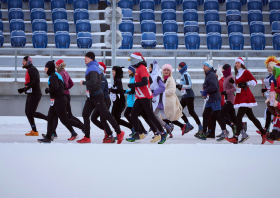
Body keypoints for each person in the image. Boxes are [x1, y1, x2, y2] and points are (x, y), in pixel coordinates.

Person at [77, 52, 125, 144]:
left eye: (86, 57)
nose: (84, 59)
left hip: (97, 96)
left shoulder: (93, 68)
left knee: (106, 115)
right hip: (92, 96)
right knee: (85, 114)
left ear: (90, 58)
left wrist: (83, 82)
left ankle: (119, 132)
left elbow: (93, 82)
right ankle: (87, 137)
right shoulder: (92, 67)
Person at [126, 52, 167, 144]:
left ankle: (163, 133)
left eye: (132, 60)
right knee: (133, 114)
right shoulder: (139, 69)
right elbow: (149, 80)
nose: (131, 62)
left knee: (150, 116)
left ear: (136, 60)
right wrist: (135, 89)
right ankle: (136, 133)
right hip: (140, 96)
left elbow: (145, 82)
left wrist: (133, 85)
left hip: (145, 96)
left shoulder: (142, 68)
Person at [226, 57, 266, 144]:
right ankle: (263, 132)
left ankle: (236, 137)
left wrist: (246, 83)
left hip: (246, 97)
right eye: (236, 63)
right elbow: (237, 86)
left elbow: (254, 82)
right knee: (251, 117)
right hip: (240, 96)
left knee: (239, 117)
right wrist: (233, 82)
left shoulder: (246, 72)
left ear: (242, 64)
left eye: (238, 63)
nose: (237, 64)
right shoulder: (237, 74)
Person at [42, 59, 84, 141]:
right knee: (52, 118)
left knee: (65, 119)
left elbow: (56, 87)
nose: (44, 69)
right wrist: (64, 90)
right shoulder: (59, 74)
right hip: (58, 99)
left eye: (46, 68)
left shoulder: (56, 75)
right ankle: (49, 136)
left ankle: (82, 127)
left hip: (60, 99)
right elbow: (66, 85)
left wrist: (48, 90)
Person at [18, 56, 47, 136]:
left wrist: (26, 88)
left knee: (31, 112)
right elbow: (30, 82)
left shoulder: (32, 69)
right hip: (31, 93)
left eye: (24, 61)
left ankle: (48, 119)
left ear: (28, 61)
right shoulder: (29, 69)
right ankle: (34, 130)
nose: (22, 62)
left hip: (35, 94)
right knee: (27, 112)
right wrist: (23, 89)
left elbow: (36, 80)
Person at [149, 60, 174, 141]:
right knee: (154, 116)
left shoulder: (157, 77)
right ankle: (160, 131)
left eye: (150, 67)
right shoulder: (153, 76)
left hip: (158, 101)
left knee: (153, 116)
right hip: (155, 100)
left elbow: (162, 87)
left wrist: (154, 93)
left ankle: (164, 129)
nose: (148, 68)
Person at [176, 62, 203, 136]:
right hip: (185, 96)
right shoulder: (183, 74)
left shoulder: (185, 74)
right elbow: (184, 86)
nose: (178, 68)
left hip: (189, 95)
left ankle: (200, 126)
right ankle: (188, 124)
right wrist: (179, 87)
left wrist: (181, 86)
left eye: (179, 67)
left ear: (182, 68)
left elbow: (189, 85)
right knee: (179, 109)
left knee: (191, 111)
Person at [197, 60, 221, 140]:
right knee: (207, 115)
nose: (203, 67)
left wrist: (206, 91)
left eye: (205, 66)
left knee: (218, 116)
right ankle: (208, 133)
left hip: (214, 98)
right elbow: (209, 85)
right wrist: (205, 91)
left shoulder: (211, 75)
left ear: (209, 67)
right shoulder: (208, 75)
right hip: (211, 98)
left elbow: (214, 86)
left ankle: (232, 125)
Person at [90, 62, 113, 143]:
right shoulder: (98, 77)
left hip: (105, 100)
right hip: (100, 101)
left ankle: (110, 135)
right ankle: (107, 131)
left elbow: (100, 91)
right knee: (93, 118)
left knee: (103, 119)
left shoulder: (102, 78)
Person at [160, 64, 184, 139]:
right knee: (165, 118)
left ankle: (167, 132)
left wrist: (161, 92)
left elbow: (171, 91)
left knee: (165, 118)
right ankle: (172, 131)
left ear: (170, 71)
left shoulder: (171, 80)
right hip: (164, 101)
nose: (166, 71)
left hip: (169, 102)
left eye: (168, 70)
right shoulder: (162, 79)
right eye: (165, 70)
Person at [123, 65, 147, 136]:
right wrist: (125, 91)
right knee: (133, 116)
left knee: (127, 114)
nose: (128, 70)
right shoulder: (131, 78)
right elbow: (130, 89)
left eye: (129, 69)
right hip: (131, 100)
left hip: (133, 101)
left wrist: (130, 91)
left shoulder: (134, 79)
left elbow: (134, 89)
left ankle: (137, 129)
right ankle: (141, 130)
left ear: (133, 71)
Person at [110, 66, 133, 134]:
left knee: (115, 119)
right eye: (112, 71)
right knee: (114, 118)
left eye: (114, 71)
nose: (112, 72)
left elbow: (119, 90)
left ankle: (130, 127)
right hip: (117, 101)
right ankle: (120, 132)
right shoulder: (117, 79)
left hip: (119, 102)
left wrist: (110, 90)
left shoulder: (118, 80)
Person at [261, 56, 278, 133]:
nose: (267, 69)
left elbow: (274, 87)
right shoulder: (269, 76)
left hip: (273, 96)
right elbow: (268, 86)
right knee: (269, 112)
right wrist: (264, 89)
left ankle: (267, 129)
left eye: (269, 67)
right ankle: (267, 128)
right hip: (269, 95)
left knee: (271, 112)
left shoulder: (274, 77)